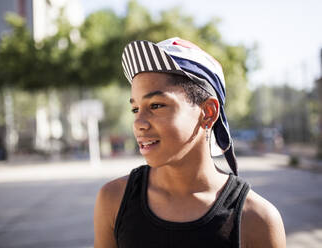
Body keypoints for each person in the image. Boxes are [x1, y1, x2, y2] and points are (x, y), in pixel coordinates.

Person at [94, 37, 286, 248]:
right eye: (135, 109)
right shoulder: (114, 200)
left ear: (208, 112)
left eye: (156, 105)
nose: (139, 123)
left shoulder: (257, 219)